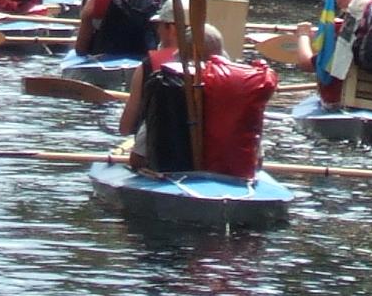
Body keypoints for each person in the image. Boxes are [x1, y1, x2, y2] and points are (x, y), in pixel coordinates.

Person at [119, 24, 277, 180]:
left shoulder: (169, 88)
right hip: (233, 178)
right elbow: (258, 161)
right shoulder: (239, 91)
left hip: (174, 178)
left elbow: (137, 158)